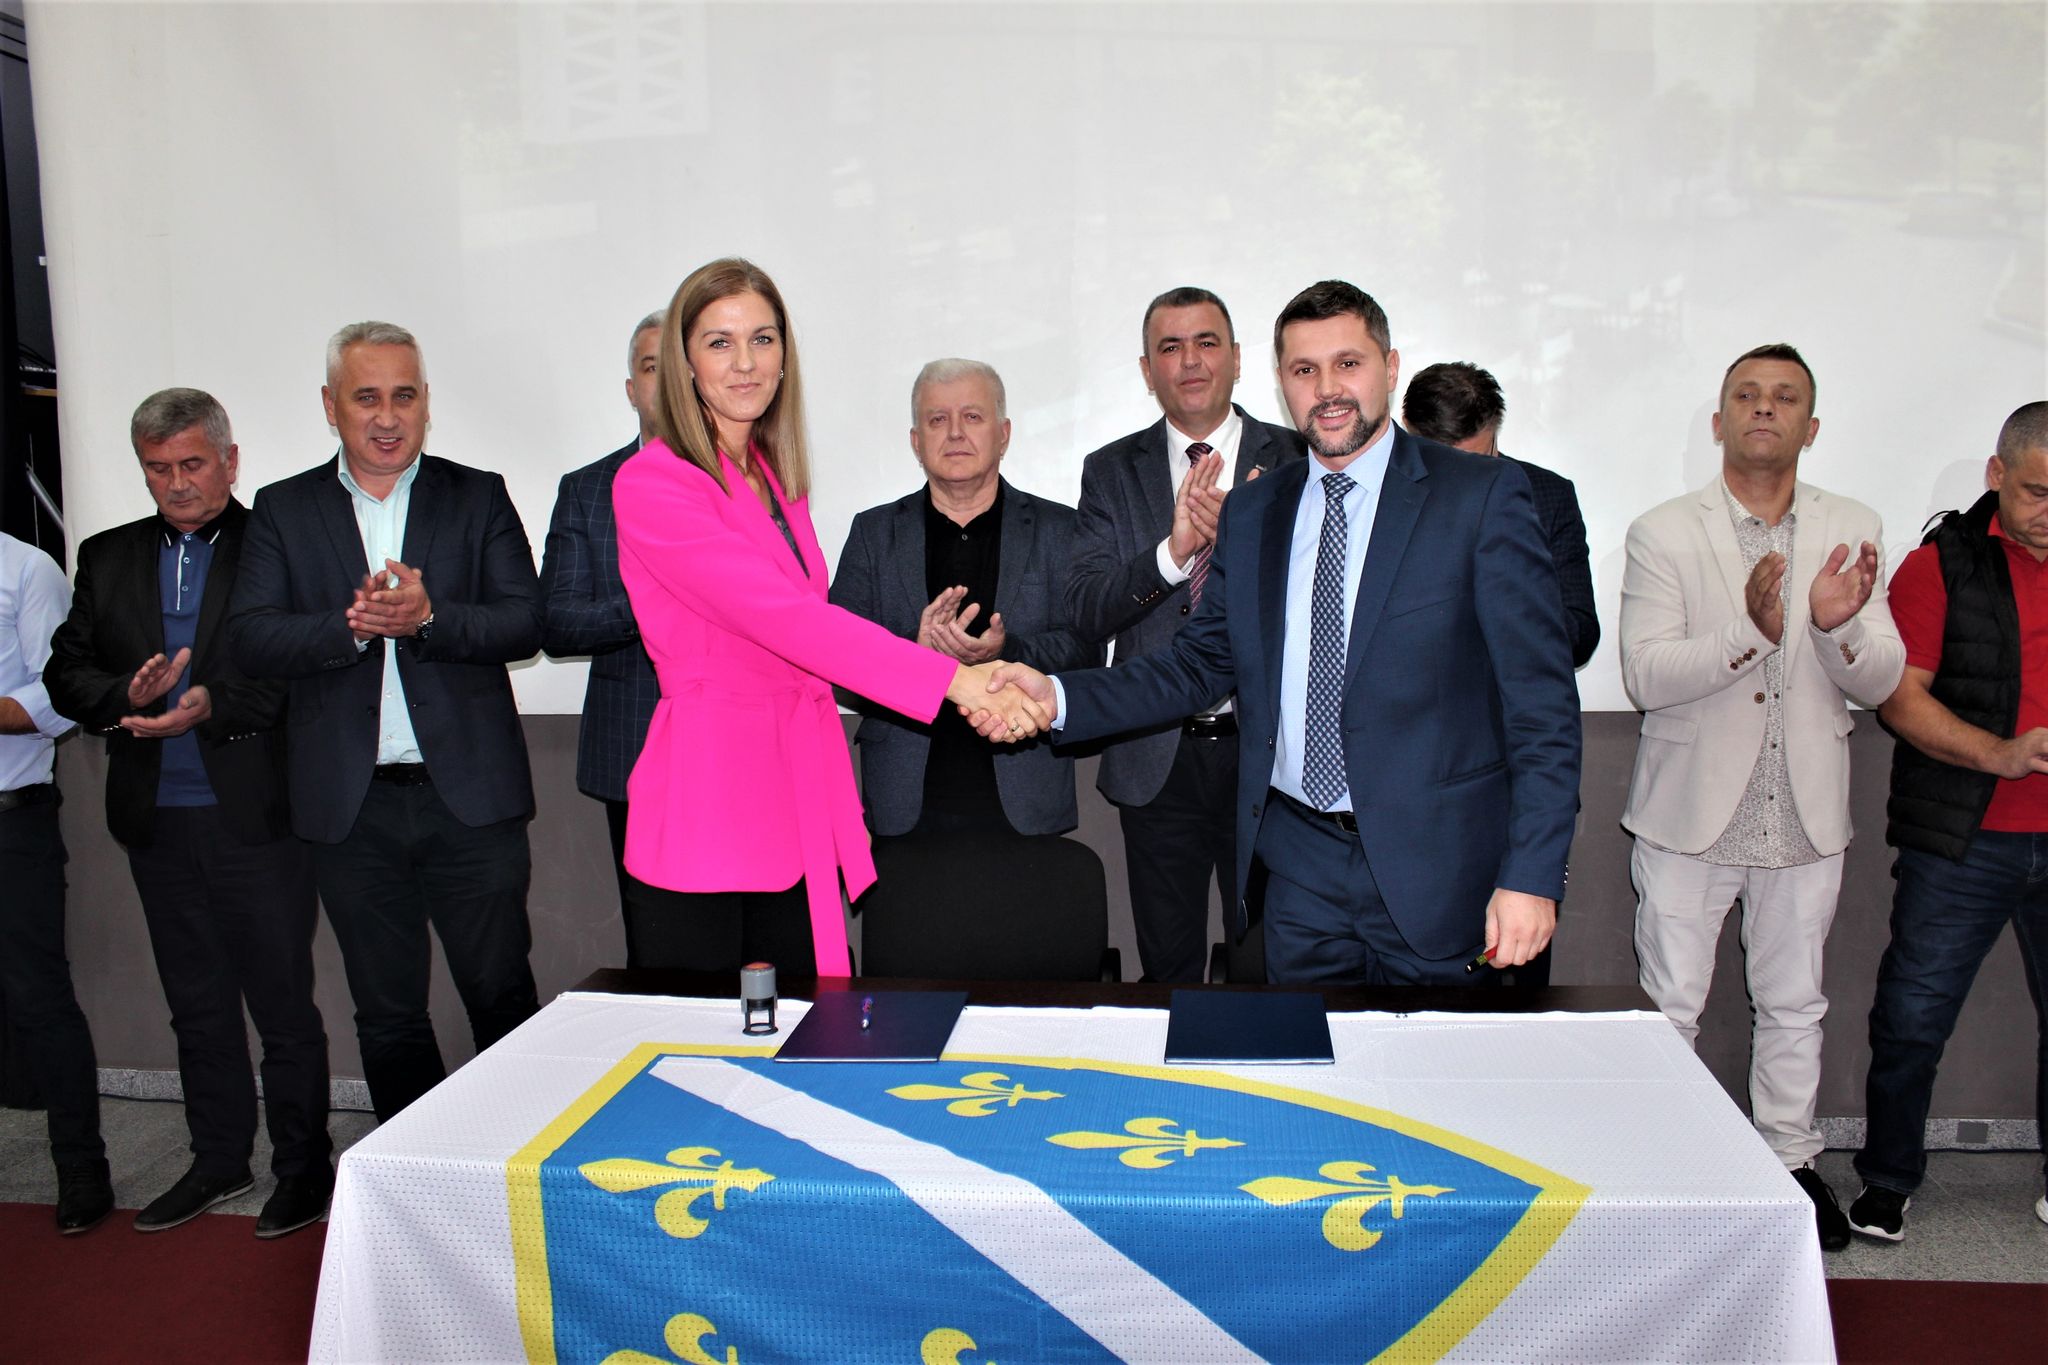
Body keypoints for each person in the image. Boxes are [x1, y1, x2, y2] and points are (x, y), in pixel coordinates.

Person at [983, 280, 1581, 988]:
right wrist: (1057, 697)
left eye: (1347, 363)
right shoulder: (1255, 512)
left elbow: (1542, 706)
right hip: (1300, 878)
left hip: (1443, 875)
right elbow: (1196, 665)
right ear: (1280, 382)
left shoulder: (1478, 496)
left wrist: (1532, 873)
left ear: (1391, 368)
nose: (1327, 389)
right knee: (1306, 1061)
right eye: (1304, 370)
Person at [610, 258, 1046, 978]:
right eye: (719, 343)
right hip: (711, 793)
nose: (746, 362)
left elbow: (805, 624)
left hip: (791, 786)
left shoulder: (771, 477)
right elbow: (786, 619)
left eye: (763, 339)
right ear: (685, 363)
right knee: (705, 1034)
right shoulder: (654, 481)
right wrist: (954, 680)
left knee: (805, 1019)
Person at [1619, 343, 1904, 1251]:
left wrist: (1835, 625)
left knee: (1795, 1004)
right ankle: (1666, 1165)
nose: (1764, 408)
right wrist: (1752, 629)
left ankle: (1790, 1163)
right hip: (1690, 815)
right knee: (1672, 1006)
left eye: (1784, 398)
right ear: (1719, 420)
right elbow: (1646, 675)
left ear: (1811, 427)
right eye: (1746, 395)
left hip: (1803, 811)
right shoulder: (1663, 530)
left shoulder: (1853, 525)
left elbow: (1881, 676)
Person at [228, 322, 542, 1123]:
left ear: (426, 403)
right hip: (351, 806)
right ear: (330, 405)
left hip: (469, 799)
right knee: (388, 1012)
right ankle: (415, 1176)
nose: (387, 416)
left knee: (501, 993)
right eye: (366, 396)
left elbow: (525, 620)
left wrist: (431, 616)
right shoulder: (283, 508)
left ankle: (516, 1164)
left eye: (404, 395)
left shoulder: (477, 494)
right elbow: (251, 636)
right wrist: (354, 627)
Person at [46, 388, 331, 1237]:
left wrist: (214, 704)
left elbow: (299, 668)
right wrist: (121, 695)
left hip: (255, 814)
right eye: (158, 468)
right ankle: (217, 1159)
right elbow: (66, 673)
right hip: (156, 820)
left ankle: (303, 1168)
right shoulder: (105, 555)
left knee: (282, 1005)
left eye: (193, 463)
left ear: (230, 461)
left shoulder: (273, 543)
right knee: (196, 1003)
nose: (176, 482)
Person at [1065, 286, 1307, 983]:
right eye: (1170, 347)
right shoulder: (1111, 470)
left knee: (1265, 964)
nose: (1190, 361)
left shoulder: (1297, 457)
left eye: (1206, 343)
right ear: (1148, 371)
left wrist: (1246, 544)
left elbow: (1329, 600)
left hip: (1269, 752)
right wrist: (1173, 556)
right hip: (1156, 757)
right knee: (1167, 969)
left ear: (1237, 359)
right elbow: (1086, 610)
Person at [1848, 400, 2048, 1241]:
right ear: (1996, 475)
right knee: (1913, 1016)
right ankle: (1888, 1178)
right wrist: (2002, 754)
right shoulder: (1940, 566)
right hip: (1964, 837)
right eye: (2038, 491)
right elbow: (1900, 701)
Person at [830, 358, 1100, 839]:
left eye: (972, 416)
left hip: (1025, 793)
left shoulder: (1060, 530)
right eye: (938, 419)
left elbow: (1088, 651)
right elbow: (836, 666)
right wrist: (913, 652)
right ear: (916, 441)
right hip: (906, 800)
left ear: (1004, 434)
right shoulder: (873, 533)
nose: (955, 432)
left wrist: (1007, 650)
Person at [539, 311, 664, 964]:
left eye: (680, 366)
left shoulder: (753, 483)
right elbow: (556, 623)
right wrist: (651, 602)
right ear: (631, 389)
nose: (666, 381)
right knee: (658, 948)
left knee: (745, 945)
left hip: (739, 747)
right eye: (651, 367)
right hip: (634, 746)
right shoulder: (588, 490)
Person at [0, 530, 107, 1233]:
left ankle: (81, 1168)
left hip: (10, 821)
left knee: (39, 999)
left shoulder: (25, 568)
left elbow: (60, 692)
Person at [1401, 361, 1600, 667]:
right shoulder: (1382, 497)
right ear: (1408, 428)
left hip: (1511, 694)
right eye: (1445, 464)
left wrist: (1508, 594)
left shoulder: (1546, 494)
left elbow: (1580, 637)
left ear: (1495, 427)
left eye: (1479, 461)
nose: (1464, 479)